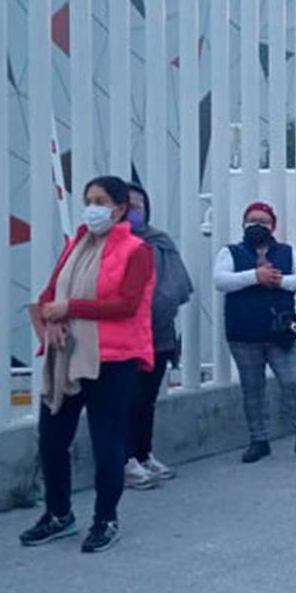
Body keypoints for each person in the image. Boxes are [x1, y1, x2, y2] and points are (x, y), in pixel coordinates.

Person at [20, 175, 155, 554]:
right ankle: (58, 514)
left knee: (107, 442)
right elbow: (52, 291)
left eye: (99, 201)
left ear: (119, 208)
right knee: (52, 439)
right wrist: (54, 317)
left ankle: (105, 518)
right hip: (66, 356)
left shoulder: (136, 251)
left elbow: (126, 305)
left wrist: (71, 308)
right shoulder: (77, 243)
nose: (91, 208)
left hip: (112, 360)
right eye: (88, 200)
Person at [214, 202, 296, 465]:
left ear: (273, 226)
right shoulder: (231, 251)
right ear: (243, 224)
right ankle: (258, 440)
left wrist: (279, 281)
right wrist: (255, 276)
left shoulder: (285, 252)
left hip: (280, 334)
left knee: (294, 383)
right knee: (252, 388)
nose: (257, 225)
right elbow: (221, 280)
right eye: (251, 220)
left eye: (263, 221)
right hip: (244, 333)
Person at [123, 183, 193, 490]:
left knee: (147, 400)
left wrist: (157, 309)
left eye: (139, 206)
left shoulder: (160, 242)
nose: (134, 212)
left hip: (160, 335)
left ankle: (143, 453)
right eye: (127, 206)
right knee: (128, 398)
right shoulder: (110, 245)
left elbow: (179, 285)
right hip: (125, 336)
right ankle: (125, 459)